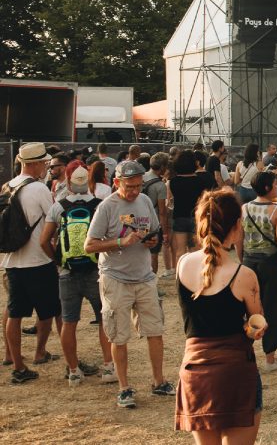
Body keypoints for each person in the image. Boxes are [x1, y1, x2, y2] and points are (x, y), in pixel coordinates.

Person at [176, 189, 266, 442]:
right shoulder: (244, 275)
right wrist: (255, 328)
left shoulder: (183, 264)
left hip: (195, 374)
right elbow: (256, 327)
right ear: (237, 225)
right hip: (235, 374)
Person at [83, 160, 174, 408]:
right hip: (115, 278)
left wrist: (151, 242)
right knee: (119, 335)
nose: (134, 191)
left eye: (138, 186)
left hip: (144, 277)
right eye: (129, 186)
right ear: (116, 183)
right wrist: (121, 242)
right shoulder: (107, 207)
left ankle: (159, 381)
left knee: (155, 331)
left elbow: (154, 232)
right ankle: (124, 387)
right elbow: (89, 246)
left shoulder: (145, 201)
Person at [39, 165, 117, 385]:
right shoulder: (100, 206)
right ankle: (109, 366)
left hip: (67, 272)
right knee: (103, 319)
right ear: (89, 182)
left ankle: (73, 371)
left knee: (69, 322)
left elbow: (44, 240)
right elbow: (108, 237)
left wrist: (57, 260)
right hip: (95, 271)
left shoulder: (58, 207)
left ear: (70, 184)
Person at [2, 143, 61, 384]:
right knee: (47, 311)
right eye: (44, 163)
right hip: (38, 258)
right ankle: (39, 352)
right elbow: (54, 219)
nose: (46, 167)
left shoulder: (8, 186)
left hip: (11, 259)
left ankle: (17, 362)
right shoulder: (38, 189)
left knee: (14, 313)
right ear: (35, 164)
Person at [240, 170, 277, 374]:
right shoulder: (276, 210)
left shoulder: (245, 208)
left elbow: (239, 239)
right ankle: (270, 357)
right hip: (271, 263)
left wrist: (243, 258)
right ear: (269, 187)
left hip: (249, 262)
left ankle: (246, 354)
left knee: (249, 309)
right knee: (273, 308)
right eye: (275, 183)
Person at [168, 150, 205, 267]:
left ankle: (180, 275)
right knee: (196, 251)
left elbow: (170, 202)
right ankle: (194, 276)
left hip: (179, 216)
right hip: (197, 217)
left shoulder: (172, 182)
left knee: (180, 251)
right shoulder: (200, 180)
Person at [143, 152, 170, 277]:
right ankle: (151, 285)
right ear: (163, 167)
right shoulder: (160, 186)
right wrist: (165, 232)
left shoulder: (141, 177)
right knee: (153, 255)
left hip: (137, 220)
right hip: (153, 223)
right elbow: (162, 211)